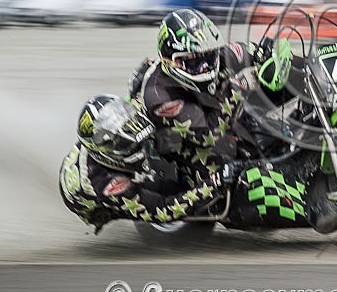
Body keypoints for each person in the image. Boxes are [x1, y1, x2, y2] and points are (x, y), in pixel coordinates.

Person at [127, 9, 292, 196]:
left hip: (204, 111)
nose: (205, 66)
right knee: (231, 172)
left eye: (208, 56)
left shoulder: (217, 55)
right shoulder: (159, 96)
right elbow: (207, 134)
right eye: (194, 61)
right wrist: (238, 88)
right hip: (175, 141)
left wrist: (269, 55)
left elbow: (252, 52)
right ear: (171, 62)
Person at [58, 94, 220, 232]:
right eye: (122, 143)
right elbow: (163, 211)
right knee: (161, 187)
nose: (134, 145)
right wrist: (214, 183)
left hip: (94, 157)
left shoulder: (114, 124)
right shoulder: (107, 184)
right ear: (104, 150)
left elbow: (138, 99)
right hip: (95, 204)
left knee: (160, 136)